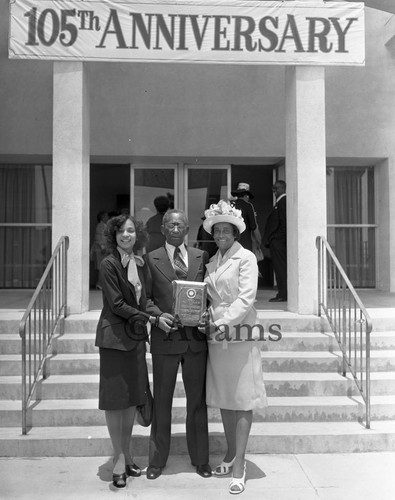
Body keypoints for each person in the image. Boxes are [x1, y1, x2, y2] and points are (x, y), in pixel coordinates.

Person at [95, 213, 168, 489]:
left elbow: (145, 299)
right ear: (113, 235)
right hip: (114, 340)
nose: (126, 236)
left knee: (131, 399)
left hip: (135, 339)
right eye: (121, 232)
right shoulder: (109, 263)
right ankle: (118, 459)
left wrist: (157, 315)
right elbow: (115, 304)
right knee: (116, 401)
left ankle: (127, 456)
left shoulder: (140, 262)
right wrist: (149, 319)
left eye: (131, 231)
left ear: (138, 235)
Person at [199, 199, 267, 495]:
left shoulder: (247, 257)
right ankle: (229, 452)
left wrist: (222, 323)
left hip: (238, 332)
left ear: (235, 232)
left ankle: (240, 463)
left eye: (227, 230)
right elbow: (209, 297)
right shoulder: (212, 261)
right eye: (217, 231)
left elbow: (246, 298)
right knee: (226, 396)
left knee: (242, 397)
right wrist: (204, 316)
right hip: (216, 334)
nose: (221, 235)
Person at [144, 209, 211, 480]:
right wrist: (158, 317)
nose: (175, 228)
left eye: (180, 224)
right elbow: (145, 299)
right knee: (162, 401)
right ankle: (157, 460)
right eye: (170, 224)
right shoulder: (150, 259)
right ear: (162, 228)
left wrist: (208, 314)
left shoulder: (201, 257)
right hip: (165, 338)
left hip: (195, 341)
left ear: (187, 228)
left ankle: (201, 459)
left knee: (197, 403)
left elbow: (209, 295)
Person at [263, 180, 287, 302]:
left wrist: (276, 239)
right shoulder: (279, 202)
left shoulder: (283, 202)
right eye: (273, 188)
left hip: (279, 243)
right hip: (277, 243)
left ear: (283, 188)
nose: (274, 191)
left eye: (276, 188)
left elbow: (284, 223)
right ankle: (282, 293)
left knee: (281, 268)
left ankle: (283, 294)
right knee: (278, 268)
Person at [230, 183, 258, 252]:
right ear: (246, 195)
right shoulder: (248, 206)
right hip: (245, 241)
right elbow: (253, 226)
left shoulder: (231, 205)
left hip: (232, 239)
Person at [90, 211, 109, 289]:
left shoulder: (103, 225)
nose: (107, 217)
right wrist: (103, 247)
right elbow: (98, 238)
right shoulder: (101, 226)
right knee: (102, 267)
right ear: (102, 217)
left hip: (102, 250)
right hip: (100, 250)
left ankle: (101, 283)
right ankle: (100, 284)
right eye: (106, 216)